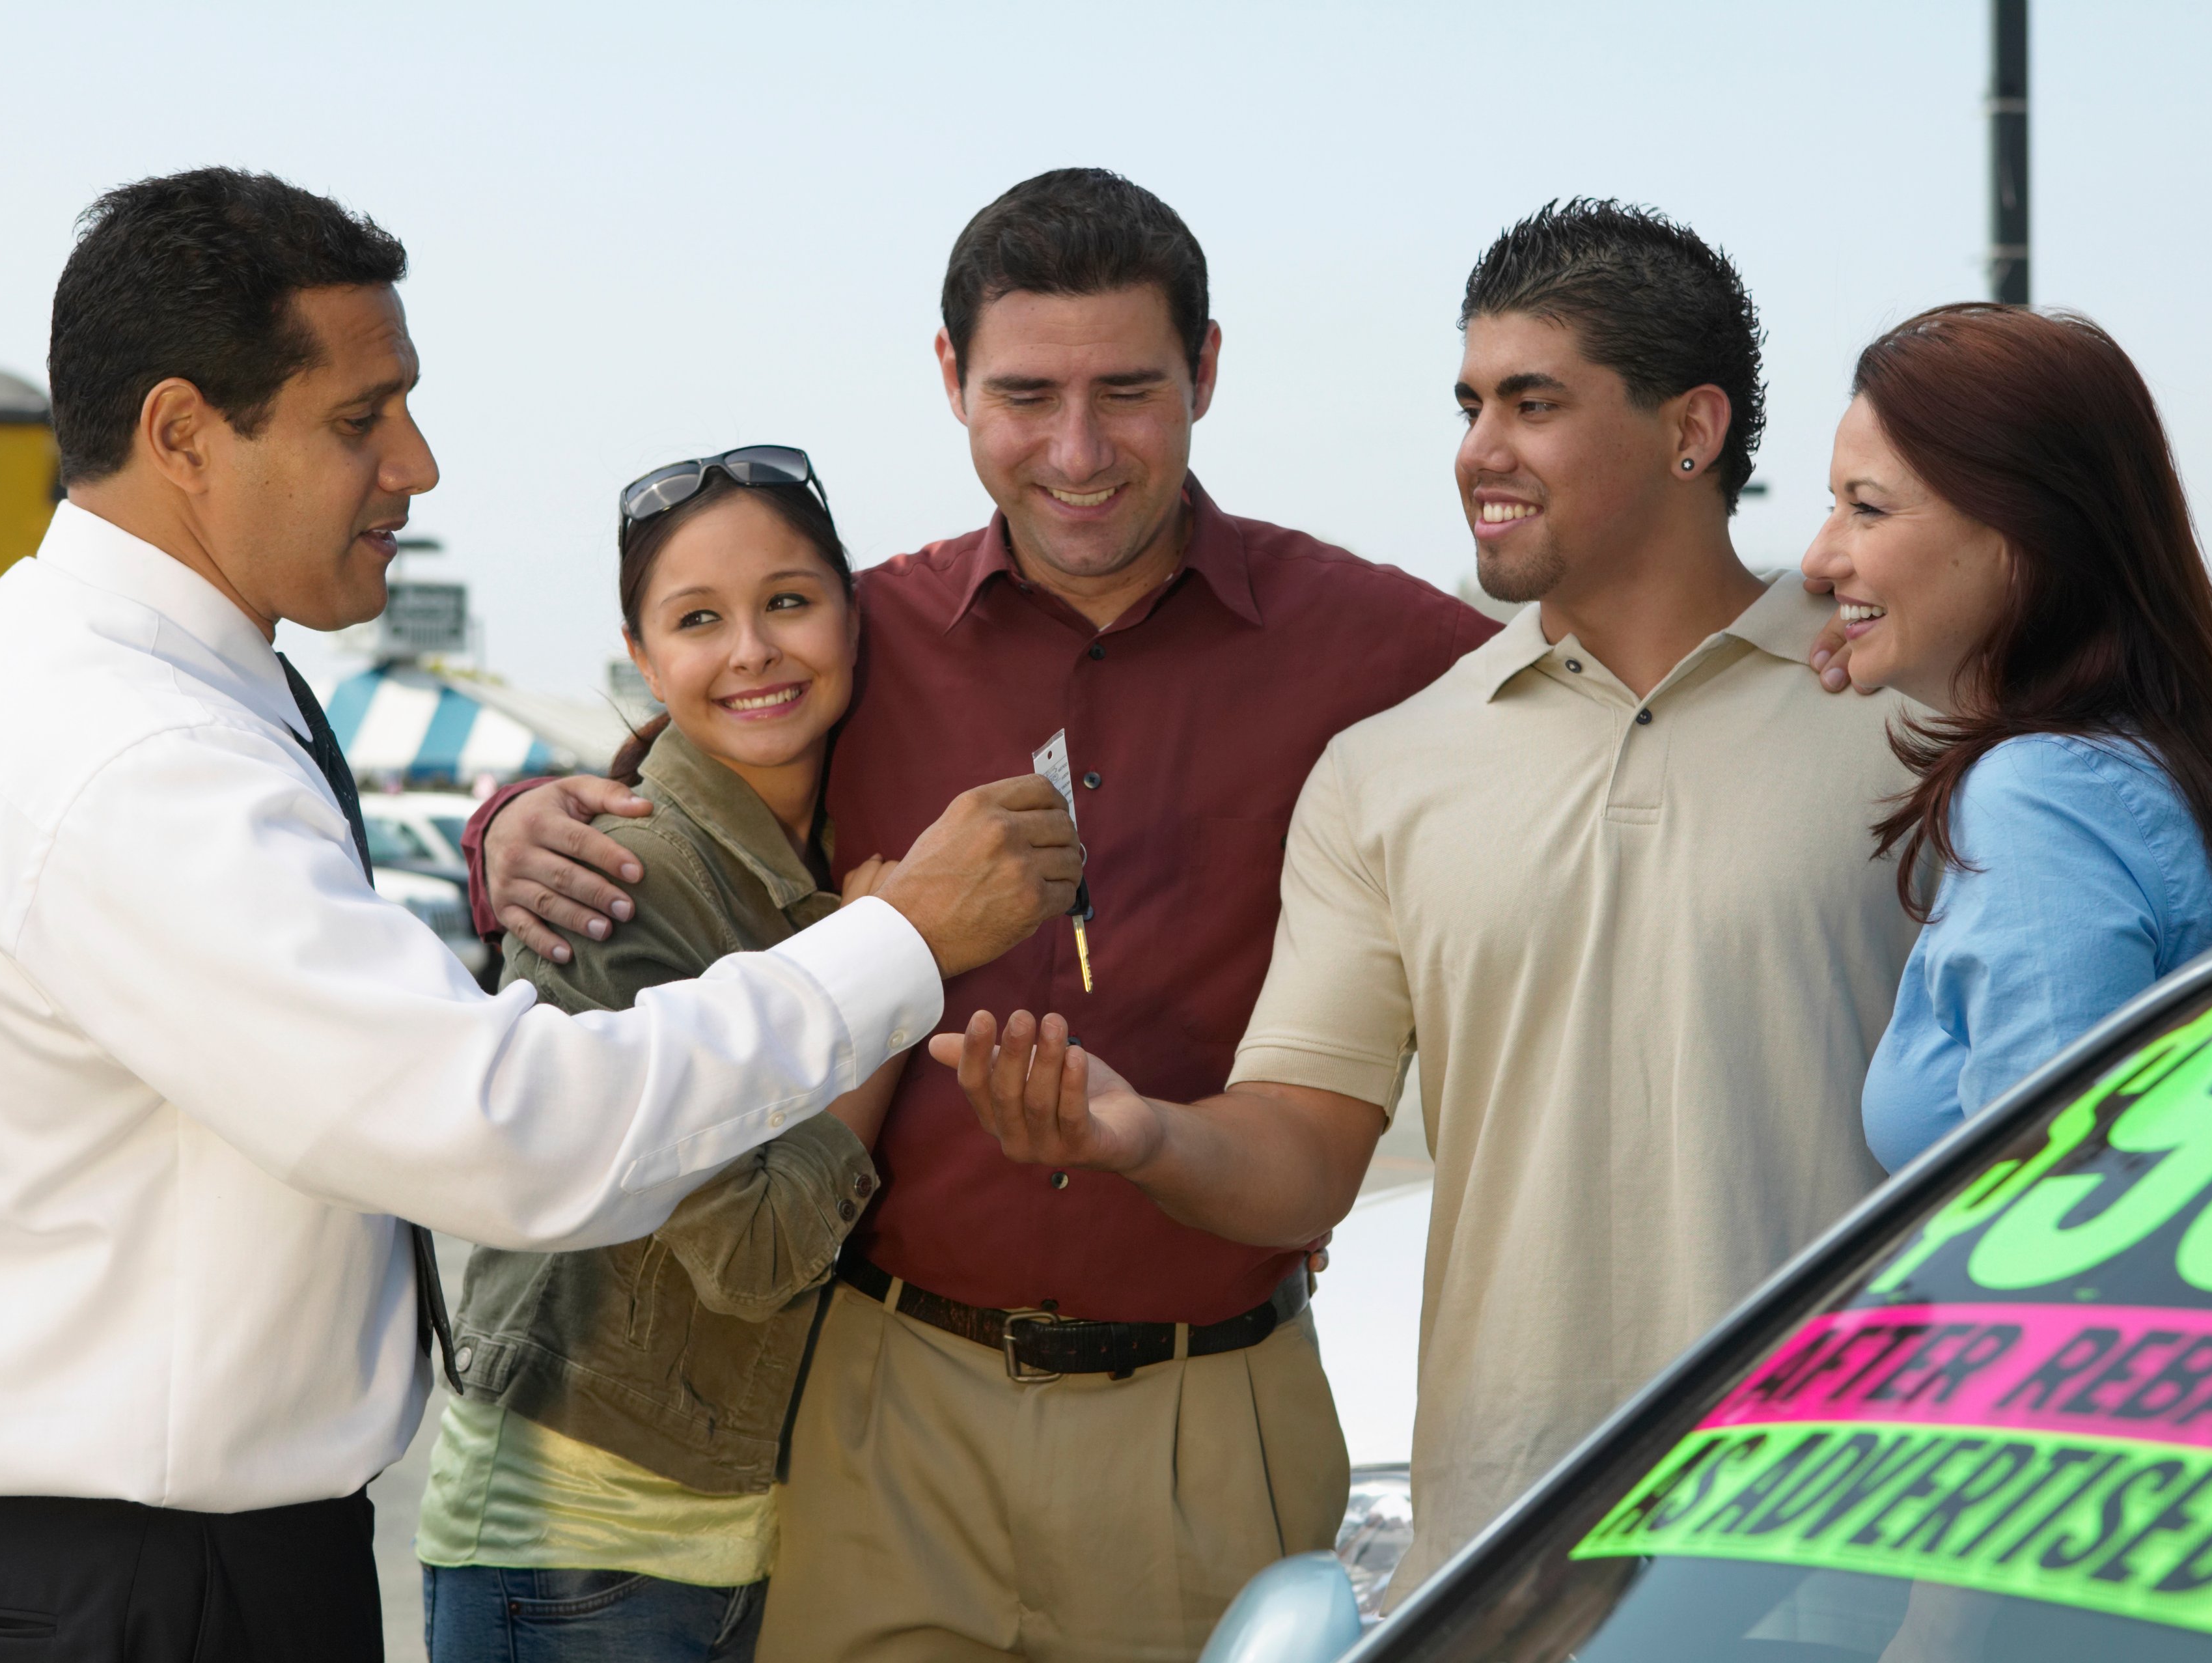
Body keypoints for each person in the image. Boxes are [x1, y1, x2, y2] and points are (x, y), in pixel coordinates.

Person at [0, 170, 1075, 1661]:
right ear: (184, 434)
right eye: (359, 418)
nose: (419, 465)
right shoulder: (134, 755)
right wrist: (898, 944)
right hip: (148, 1589)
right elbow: (510, 1131)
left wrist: (498, 843)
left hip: (149, 1561)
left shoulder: (114, 674)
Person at [466, 168, 1500, 1660]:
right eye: (1025, 393)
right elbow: (678, 792)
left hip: (1215, 1414)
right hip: (891, 1403)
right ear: (952, 380)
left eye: (1129, 390)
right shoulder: (854, 637)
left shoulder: (1378, 640)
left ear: (1207, 369)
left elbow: (1583, 724)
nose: (1076, 451)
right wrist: (513, 821)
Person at [937, 199, 1924, 1605]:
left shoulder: (1916, 723)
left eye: (1534, 402)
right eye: (1470, 403)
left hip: (1856, 1565)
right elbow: (1302, 1146)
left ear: (1691, 430)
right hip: (1513, 1569)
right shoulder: (1389, 766)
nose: (1479, 451)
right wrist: (1139, 1132)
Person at [417, 452, 887, 1658]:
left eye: (788, 601)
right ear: (642, 657)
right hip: (572, 1546)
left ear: (851, 609)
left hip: (733, 1524)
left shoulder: (832, 839)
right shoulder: (615, 877)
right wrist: (896, 967)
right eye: (697, 620)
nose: (753, 651)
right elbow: (754, 1249)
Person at [1797, 302, 2212, 1174]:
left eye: (1865, 508)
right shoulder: (2201, 760)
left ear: (2021, 536)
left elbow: (2048, 1195)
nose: (1817, 558)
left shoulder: (2040, 797)